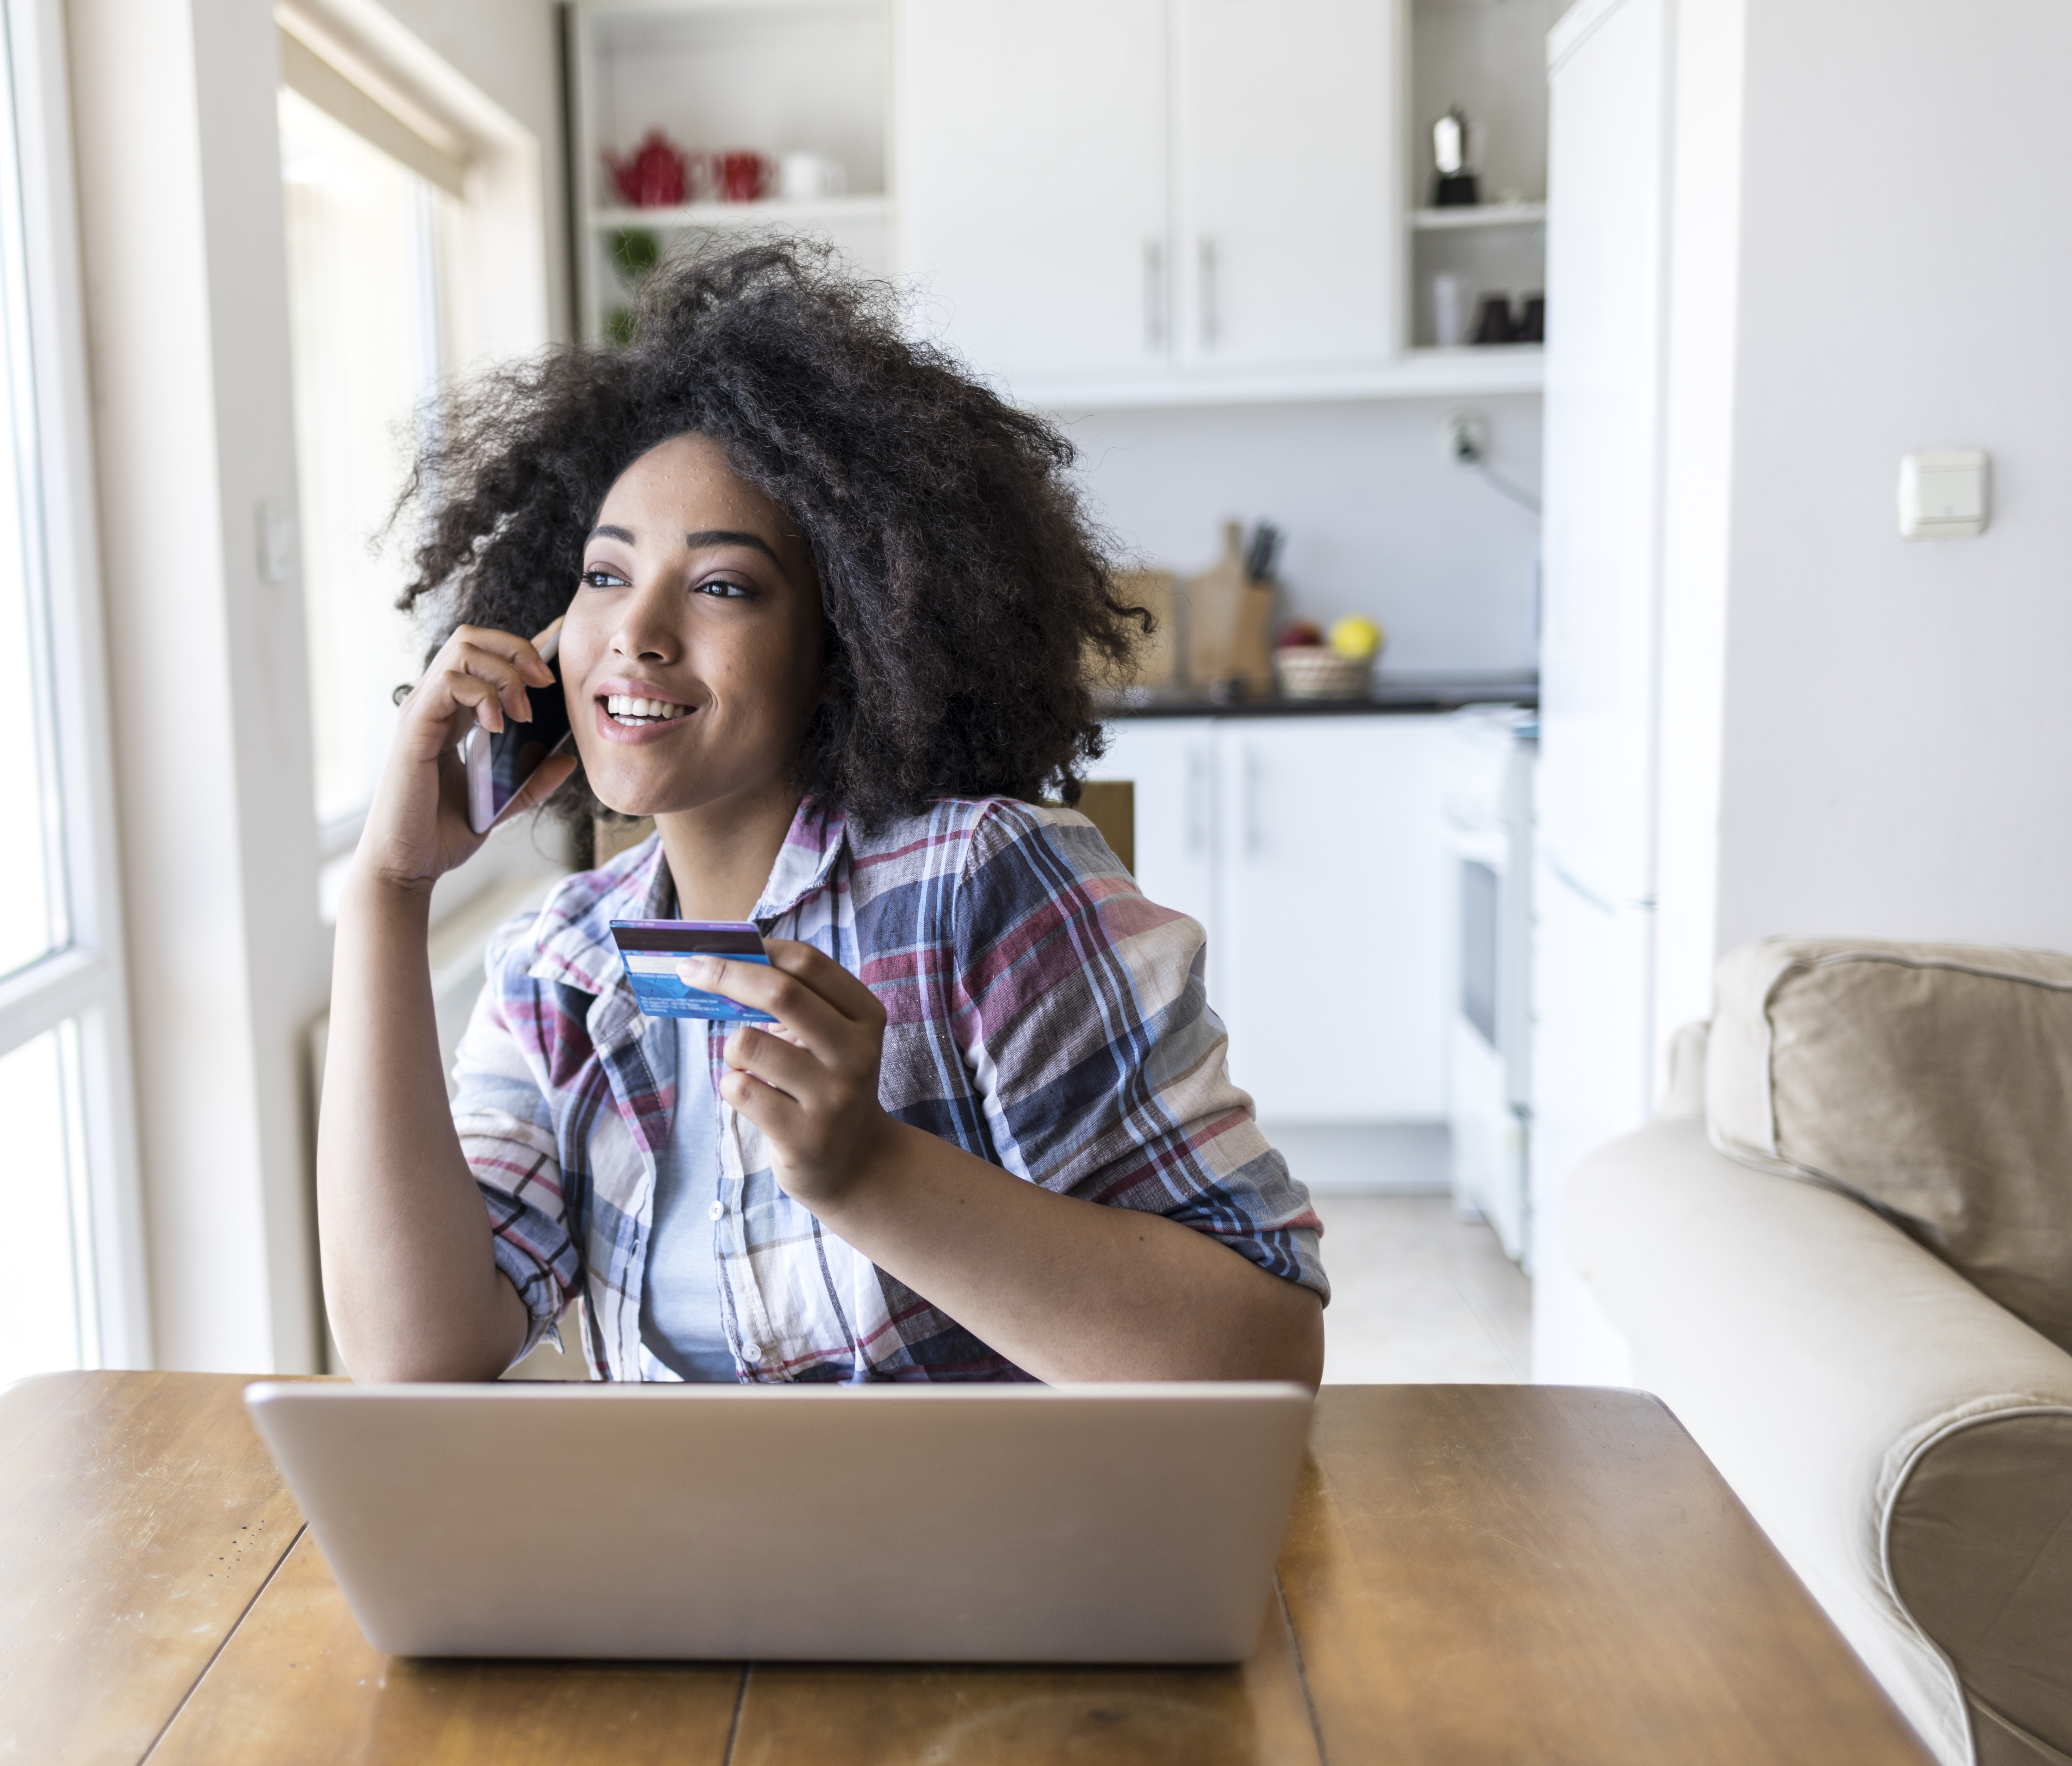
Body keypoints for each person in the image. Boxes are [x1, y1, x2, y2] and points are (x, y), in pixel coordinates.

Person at [319, 241, 1325, 1385]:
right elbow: (417, 1356)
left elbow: (1267, 1351)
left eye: (721, 586)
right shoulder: (560, 967)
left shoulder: (983, 885)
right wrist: (387, 896)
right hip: (680, 1562)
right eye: (604, 575)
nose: (636, 633)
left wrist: (866, 1173)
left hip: (983, 1562)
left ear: (844, 644)